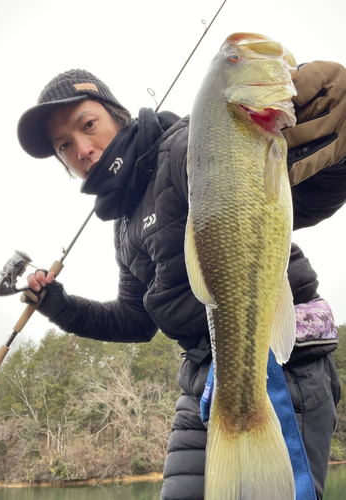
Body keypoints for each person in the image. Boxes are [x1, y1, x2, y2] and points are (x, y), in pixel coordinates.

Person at [17, 58, 346, 499]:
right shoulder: (124, 228)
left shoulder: (190, 146)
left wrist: (330, 126)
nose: (81, 149)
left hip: (274, 362)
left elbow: (300, 192)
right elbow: (135, 319)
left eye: (87, 124)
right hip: (201, 382)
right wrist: (56, 304)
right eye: (63, 146)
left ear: (117, 115)